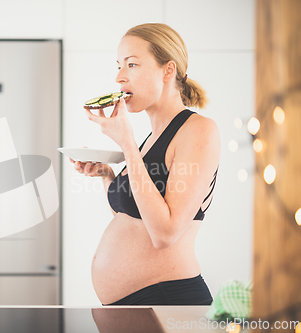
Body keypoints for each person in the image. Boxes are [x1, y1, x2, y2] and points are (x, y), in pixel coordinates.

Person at [70, 23, 220, 305]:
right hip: (135, 306)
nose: (119, 77)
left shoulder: (199, 130)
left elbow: (164, 233)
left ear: (168, 70)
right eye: (119, 66)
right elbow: (134, 218)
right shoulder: (150, 140)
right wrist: (107, 174)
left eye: (132, 65)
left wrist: (127, 145)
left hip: (168, 300)